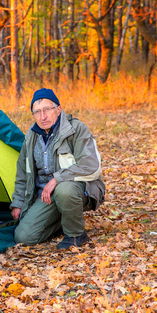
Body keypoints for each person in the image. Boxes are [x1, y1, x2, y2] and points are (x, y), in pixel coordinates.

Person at [10, 88, 105, 249]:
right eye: (37, 112)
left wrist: (57, 179)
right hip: (46, 197)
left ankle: (75, 235)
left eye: (47, 110)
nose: (43, 116)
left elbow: (91, 165)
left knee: (64, 190)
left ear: (58, 109)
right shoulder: (32, 136)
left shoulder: (76, 129)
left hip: (78, 190)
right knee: (23, 237)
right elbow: (23, 173)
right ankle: (64, 220)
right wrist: (18, 203)